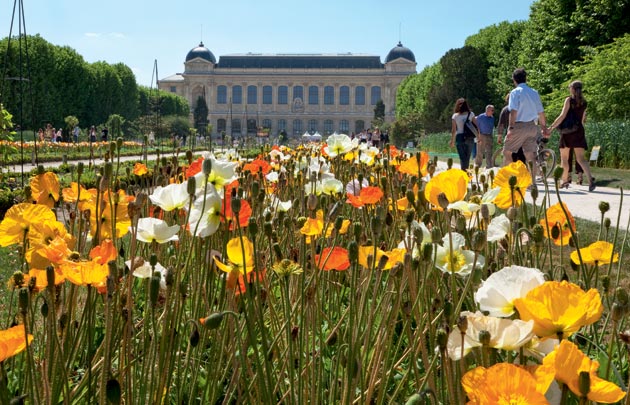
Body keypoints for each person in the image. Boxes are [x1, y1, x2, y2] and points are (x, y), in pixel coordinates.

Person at [504, 68, 549, 182]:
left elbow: (513, 112)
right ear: (526, 78)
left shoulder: (515, 92)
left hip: (519, 125)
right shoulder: (534, 92)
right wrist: (544, 127)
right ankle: (532, 181)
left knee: (507, 152)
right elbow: (541, 112)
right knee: (530, 155)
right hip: (532, 126)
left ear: (514, 80)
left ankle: (512, 179)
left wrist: (510, 128)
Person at [549, 80, 595, 191]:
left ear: (573, 89)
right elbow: (583, 119)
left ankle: (564, 181)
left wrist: (551, 127)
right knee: (581, 159)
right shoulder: (584, 102)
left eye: (570, 87)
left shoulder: (569, 100)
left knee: (564, 159)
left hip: (567, 132)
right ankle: (590, 180)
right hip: (579, 131)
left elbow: (562, 116)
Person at [449, 98, 477, 171]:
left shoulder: (455, 116)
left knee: (462, 157)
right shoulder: (471, 114)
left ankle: (463, 172)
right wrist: (478, 137)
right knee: (467, 157)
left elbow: (453, 130)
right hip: (469, 137)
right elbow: (476, 126)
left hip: (459, 137)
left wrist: (452, 141)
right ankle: (465, 172)